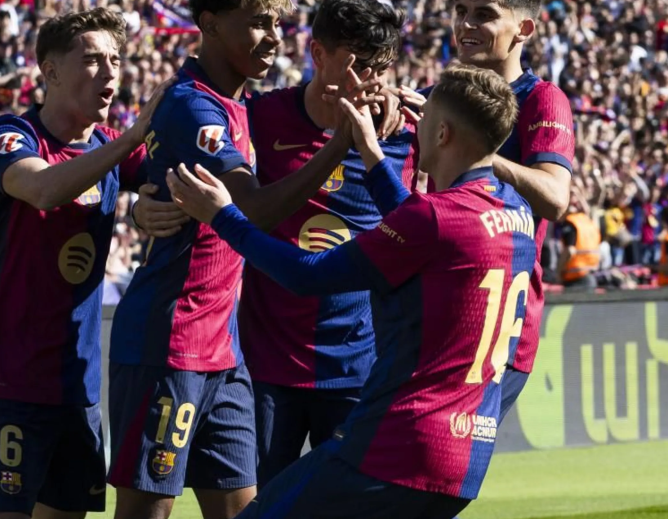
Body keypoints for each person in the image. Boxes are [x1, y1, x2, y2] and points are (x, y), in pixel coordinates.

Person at [167, 64, 534, 519]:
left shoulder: (436, 219)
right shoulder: (515, 209)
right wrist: (371, 153)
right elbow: (423, 232)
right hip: (465, 458)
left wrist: (223, 216)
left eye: (425, 123)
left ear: (442, 134)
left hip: (397, 446)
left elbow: (308, 275)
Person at [108, 0, 380, 519]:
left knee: (246, 513)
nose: (273, 38)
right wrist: (339, 146)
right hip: (170, 340)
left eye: (279, 23)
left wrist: (143, 202)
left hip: (225, 352)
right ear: (209, 24)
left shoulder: (241, 107)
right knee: (146, 513)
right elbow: (249, 209)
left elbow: (143, 169)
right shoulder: (192, 104)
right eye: (258, 22)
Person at [0, 8, 170, 519]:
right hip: (8, 381)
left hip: (76, 389)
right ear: (50, 72)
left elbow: (170, 184)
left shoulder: (108, 149)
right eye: (93, 59)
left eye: (116, 60)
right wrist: (129, 141)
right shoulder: (12, 135)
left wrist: (149, 206)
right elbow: (44, 188)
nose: (110, 73)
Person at [398, 0, 575, 423]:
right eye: (460, 12)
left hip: (497, 325)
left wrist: (470, 145)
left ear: (524, 29)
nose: (466, 25)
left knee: (432, 467)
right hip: (427, 307)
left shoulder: (541, 99)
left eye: (484, 14)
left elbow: (555, 198)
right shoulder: (436, 97)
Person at [558, 188, 601, 292]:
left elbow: (570, 250)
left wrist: (558, 272)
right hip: (591, 276)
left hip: (575, 279)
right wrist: (578, 194)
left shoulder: (570, 223)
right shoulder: (587, 221)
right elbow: (587, 210)